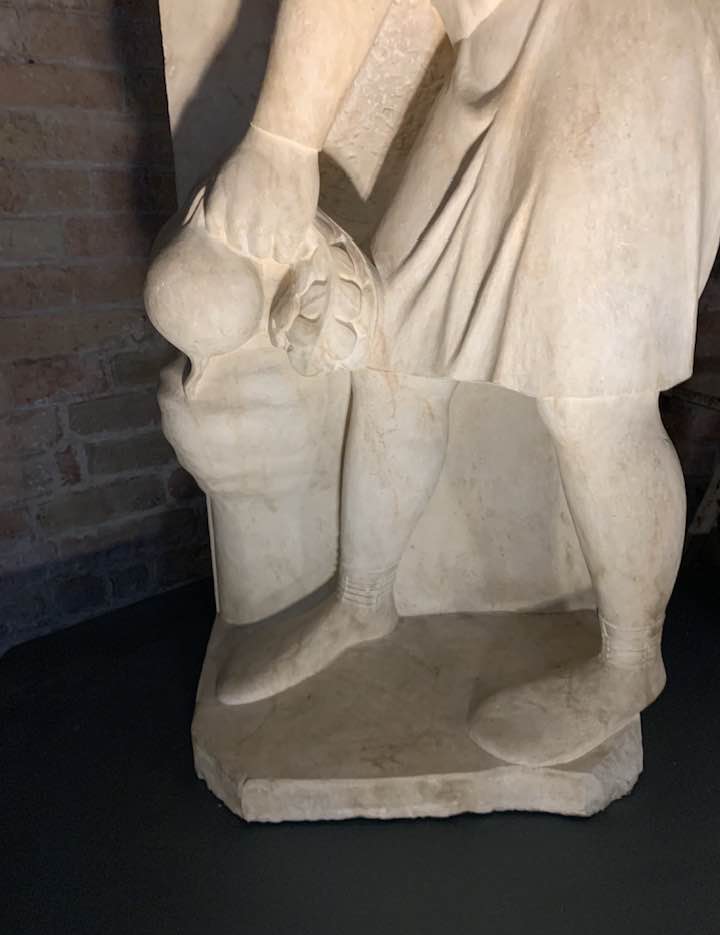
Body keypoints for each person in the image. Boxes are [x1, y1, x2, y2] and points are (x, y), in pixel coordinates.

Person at [204, 0, 720, 766]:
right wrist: (281, 142)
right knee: (394, 349)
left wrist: (281, 141)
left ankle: (631, 659)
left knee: (595, 397)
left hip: (630, 39)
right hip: (491, 45)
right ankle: (362, 602)